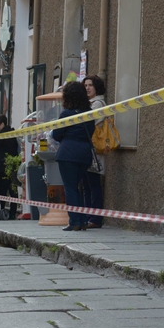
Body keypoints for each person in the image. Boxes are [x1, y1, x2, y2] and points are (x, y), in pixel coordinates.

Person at [51, 81, 95, 231]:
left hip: (68, 153)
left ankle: (75, 221)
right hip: (84, 153)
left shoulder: (66, 114)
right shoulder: (89, 114)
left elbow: (56, 135)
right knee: (77, 187)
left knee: (70, 188)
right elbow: (91, 132)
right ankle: (82, 220)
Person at [83, 75, 107, 228]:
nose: (87, 88)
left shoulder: (97, 103)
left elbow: (88, 123)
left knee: (93, 184)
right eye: (85, 85)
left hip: (94, 150)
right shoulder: (88, 103)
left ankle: (95, 218)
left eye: (90, 85)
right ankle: (87, 215)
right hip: (87, 148)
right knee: (86, 184)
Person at [0, 114, 20, 219]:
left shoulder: (1, 135)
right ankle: (13, 213)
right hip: (13, 165)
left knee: (2, 191)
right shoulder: (12, 133)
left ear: (2, 124)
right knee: (13, 190)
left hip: (2, 166)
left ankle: (0, 212)